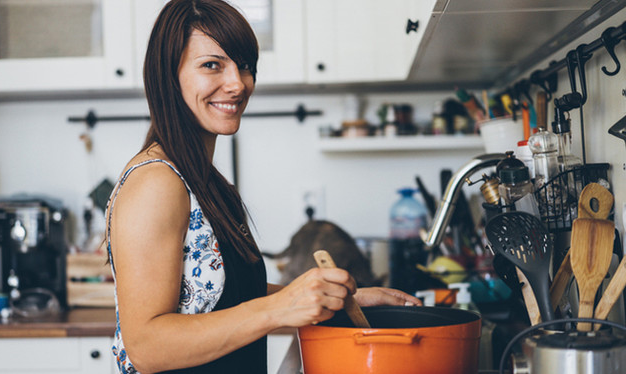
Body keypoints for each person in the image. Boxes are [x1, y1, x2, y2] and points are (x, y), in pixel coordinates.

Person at [105, 1, 421, 373]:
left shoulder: (205, 182)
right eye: (212, 65)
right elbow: (146, 346)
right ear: (167, 75)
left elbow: (224, 300)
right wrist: (280, 308)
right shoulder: (156, 183)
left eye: (245, 66)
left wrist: (339, 299)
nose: (238, 83)